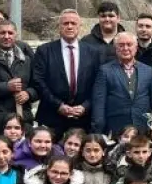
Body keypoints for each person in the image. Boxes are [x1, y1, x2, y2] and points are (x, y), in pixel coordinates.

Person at [32, 9, 102, 137]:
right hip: (51, 117)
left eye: (73, 23)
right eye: (65, 23)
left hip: (83, 119)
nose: (69, 26)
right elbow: (38, 81)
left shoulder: (93, 52)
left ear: (80, 27)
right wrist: (58, 105)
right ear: (59, 27)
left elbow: (98, 83)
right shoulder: (44, 51)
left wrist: (85, 106)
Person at [92, 33, 152, 138]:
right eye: (121, 45)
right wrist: (98, 131)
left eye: (129, 44)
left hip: (142, 128)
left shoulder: (148, 71)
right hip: (115, 129)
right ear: (116, 49)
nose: (125, 48)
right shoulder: (105, 71)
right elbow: (99, 103)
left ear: (136, 48)